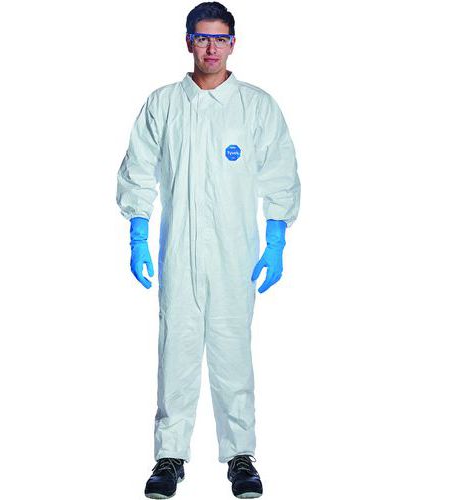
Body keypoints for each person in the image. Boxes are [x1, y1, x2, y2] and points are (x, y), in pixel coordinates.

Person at [116, 2, 301, 498]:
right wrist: (138, 233)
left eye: (220, 38)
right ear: (188, 42)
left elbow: (280, 174)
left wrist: (276, 239)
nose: (211, 48)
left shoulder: (255, 107)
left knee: (232, 352)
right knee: (175, 351)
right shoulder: (163, 105)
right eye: (202, 37)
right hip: (179, 252)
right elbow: (139, 170)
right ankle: (169, 457)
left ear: (233, 44)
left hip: (234, 254)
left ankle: (240, 456)